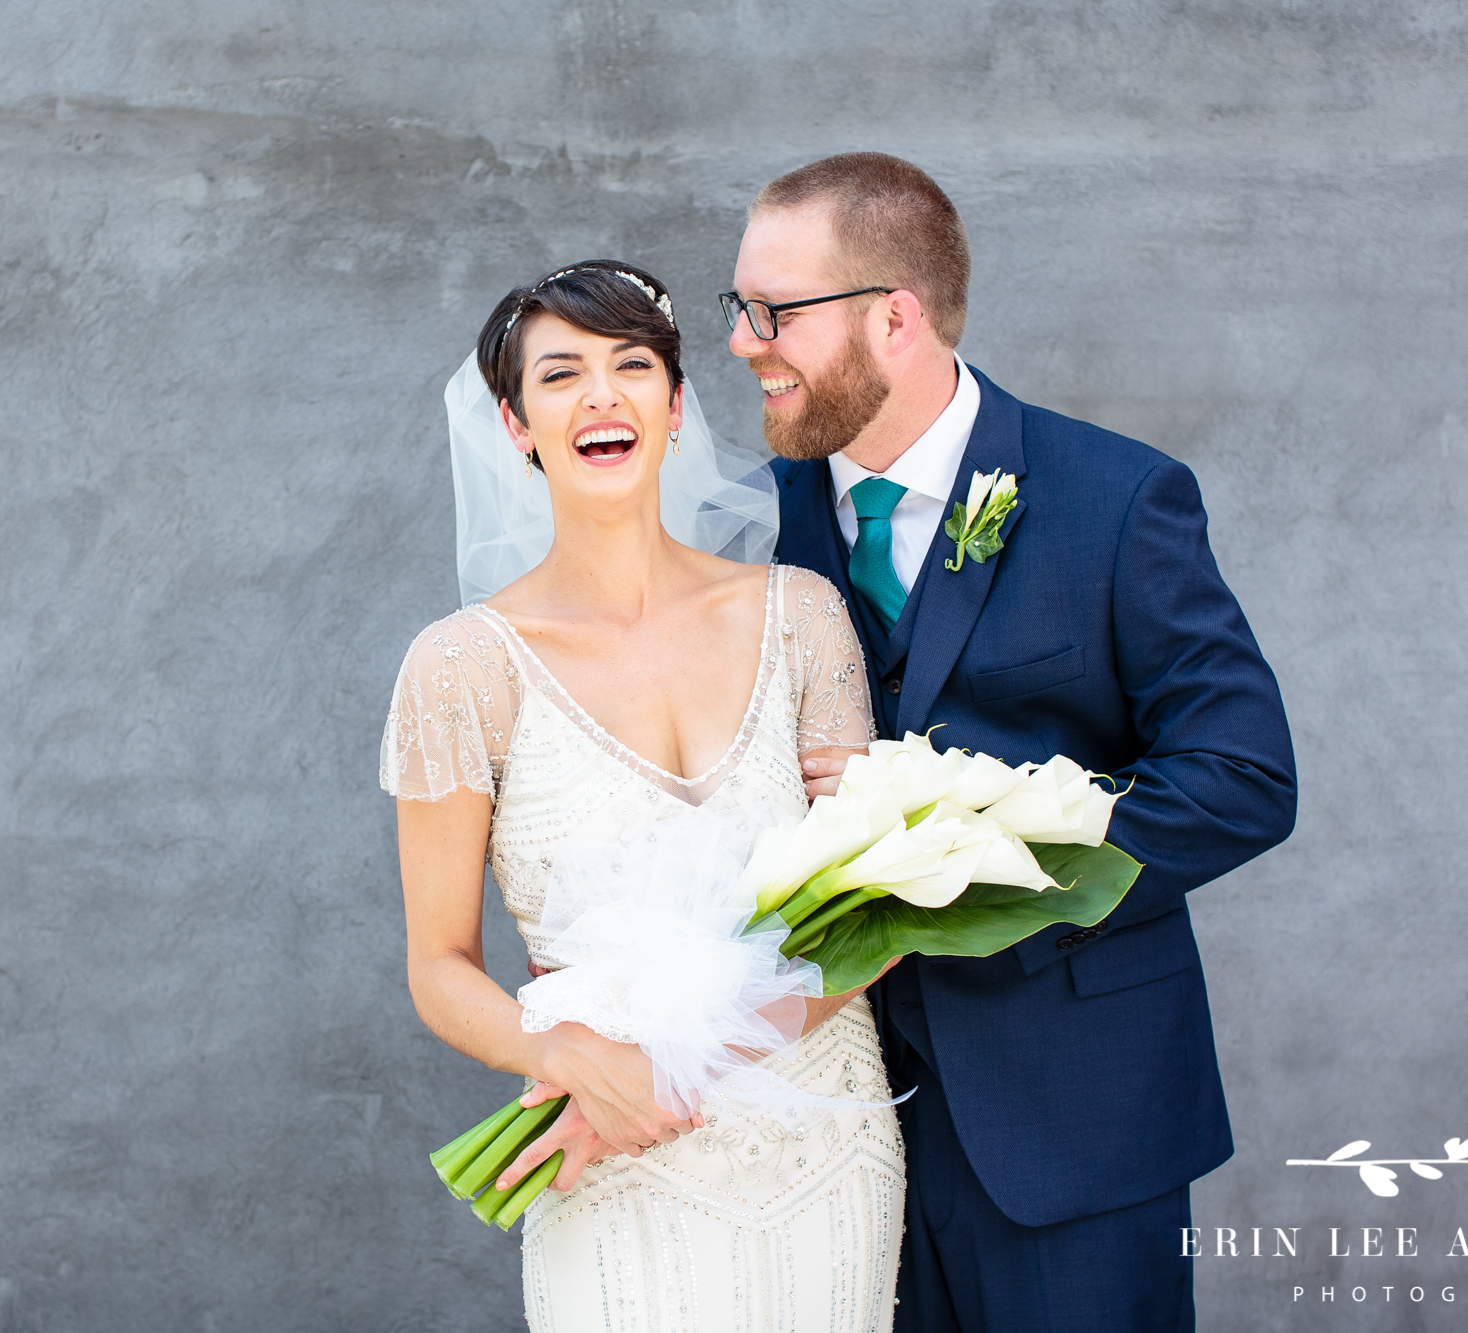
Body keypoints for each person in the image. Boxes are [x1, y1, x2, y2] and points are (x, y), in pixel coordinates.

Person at [726, 154, 1298, 1331]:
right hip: (821, 1125)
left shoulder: (1115, 499)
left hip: (1071, 1120)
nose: (743, 343)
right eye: (740, 309)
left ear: (895, 315)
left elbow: (1239, 779)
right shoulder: (745, 526)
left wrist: (951, 829)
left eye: (774, 312)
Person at [381, 262, 904, 1333]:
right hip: (608, 1140)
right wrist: (559, 1053)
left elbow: (875, 915)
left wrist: (681, 1068)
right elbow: (438, 968)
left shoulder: (801, 614)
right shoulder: (458, 667)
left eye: (632, 366)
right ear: (516, 423)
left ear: (674, 406)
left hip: (823, 1138)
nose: (601, 396)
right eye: (560, 374)